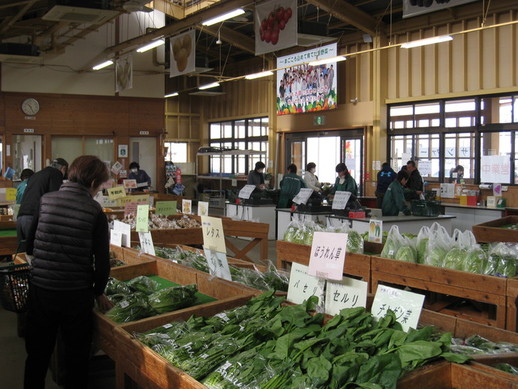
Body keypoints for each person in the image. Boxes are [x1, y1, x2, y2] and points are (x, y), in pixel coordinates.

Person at [23, 155, 112, 389]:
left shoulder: (46, 201)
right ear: (93, 183)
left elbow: (30, 245)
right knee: (76, 358)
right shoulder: (95, 212)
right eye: (100, 185)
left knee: (37, 355)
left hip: (41, 290)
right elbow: (102, 262)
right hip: (75, 295)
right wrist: (98, 291)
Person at [17, 158, 68, 242]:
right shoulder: (56, 174)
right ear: (63, 168)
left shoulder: (37, 175)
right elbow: (55, 198)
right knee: (37, 251)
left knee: (23, 253)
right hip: (33, 219)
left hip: (21, 218)